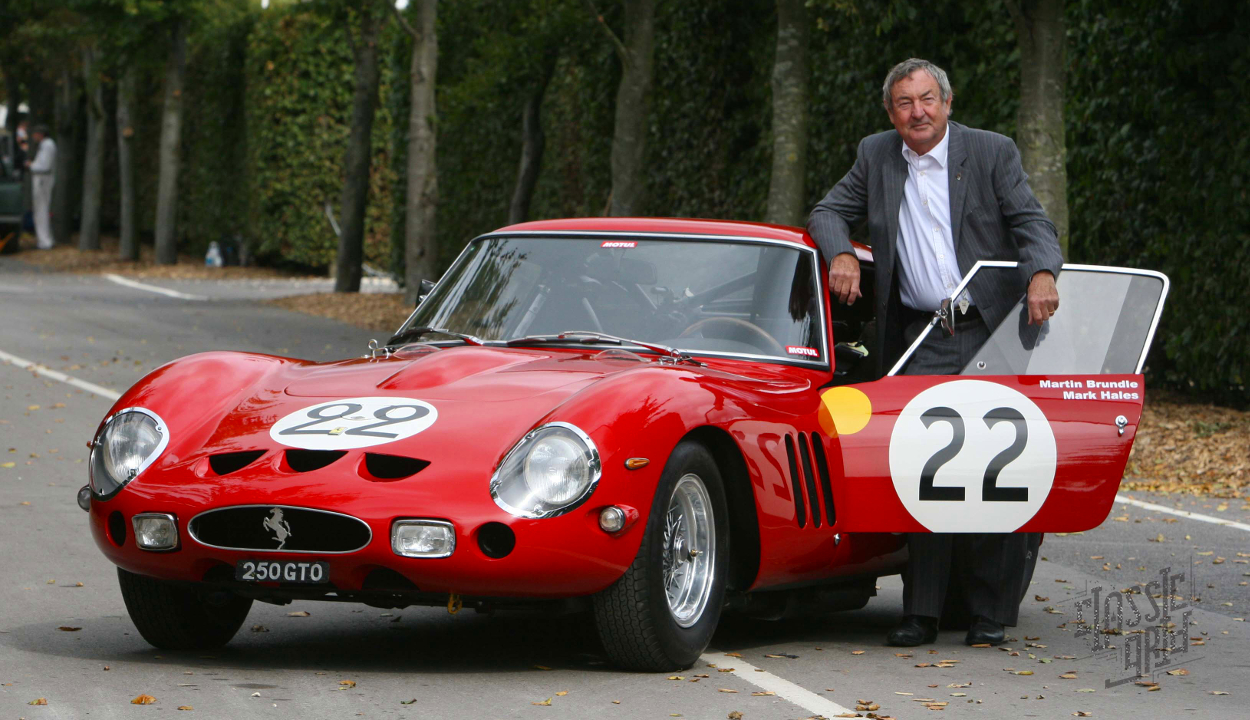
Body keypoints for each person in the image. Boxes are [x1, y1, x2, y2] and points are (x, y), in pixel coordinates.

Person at [807, 58, 1062, 647]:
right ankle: (920, 612)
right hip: (919, 336)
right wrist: (841, 252)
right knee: (923, 470)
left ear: (947, 102)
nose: (917, 112)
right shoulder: (876, 155)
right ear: (890, 111)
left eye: (927, 99)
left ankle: (987, 616)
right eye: (904, 103)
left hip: (991, 331)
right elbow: (825, 211)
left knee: (998, 470)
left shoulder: (992, 151)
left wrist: (1043, 273)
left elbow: (1031, 222)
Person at [25, 124, 56, 250]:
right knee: (41, 210)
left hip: (43, 180)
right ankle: (46, 239)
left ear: (40, 134)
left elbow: (44, 166)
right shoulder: (46, 145)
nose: (33, 137)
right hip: (43, 179)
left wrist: (31, 165)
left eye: (35, 134)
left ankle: (45, 241)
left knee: (41, 210)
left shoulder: (47, 145)